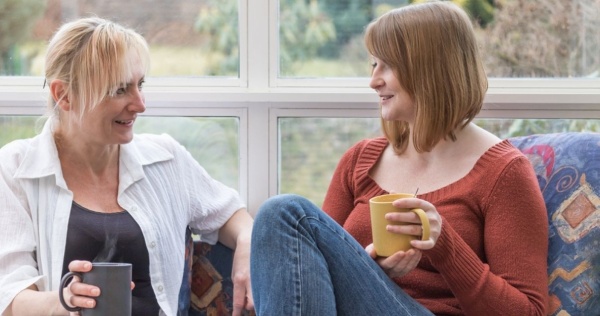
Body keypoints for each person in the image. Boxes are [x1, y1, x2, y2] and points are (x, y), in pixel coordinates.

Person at [250, 2, 548, 315]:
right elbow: (311, 277)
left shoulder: (504, 173)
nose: (374, 80)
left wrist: (444, 244)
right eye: (373, 64)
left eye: (387, 65)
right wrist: (370, 268)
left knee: (286, 212)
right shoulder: (359, 161)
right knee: (279, 214)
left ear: (432, 68)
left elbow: (529, 311)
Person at [0, 17, 254, 316]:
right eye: (120, 90)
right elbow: (11, 297)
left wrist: (249, 243)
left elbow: (228, 214)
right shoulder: (15, 169)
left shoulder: (165, 158)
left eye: (140, 85)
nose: (140, 104)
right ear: (64, 95)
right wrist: (64, 301)